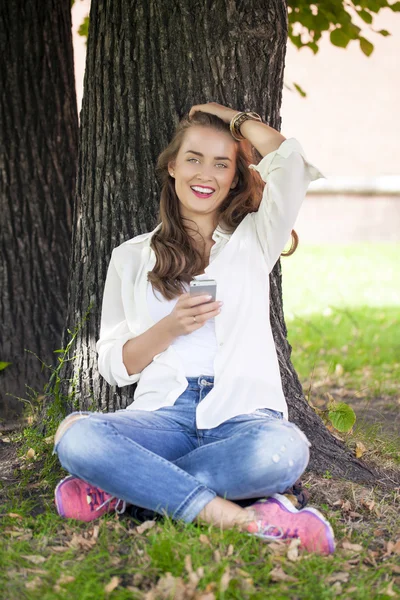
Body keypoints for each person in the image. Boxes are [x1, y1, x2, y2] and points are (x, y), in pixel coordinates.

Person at [52, 102, 335, 555]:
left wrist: (235, 120)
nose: (206, 174)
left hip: (243, 413)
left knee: (284, 451)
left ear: (234, 177)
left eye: (222, 164)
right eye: (193, 159)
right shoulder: (132, 256)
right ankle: (240, 519)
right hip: (165, 414)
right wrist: (169, 327)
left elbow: (292, 164)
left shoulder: (255, 238)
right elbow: (113, 365)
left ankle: (126, 488)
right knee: (77, 434)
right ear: (171, 167)